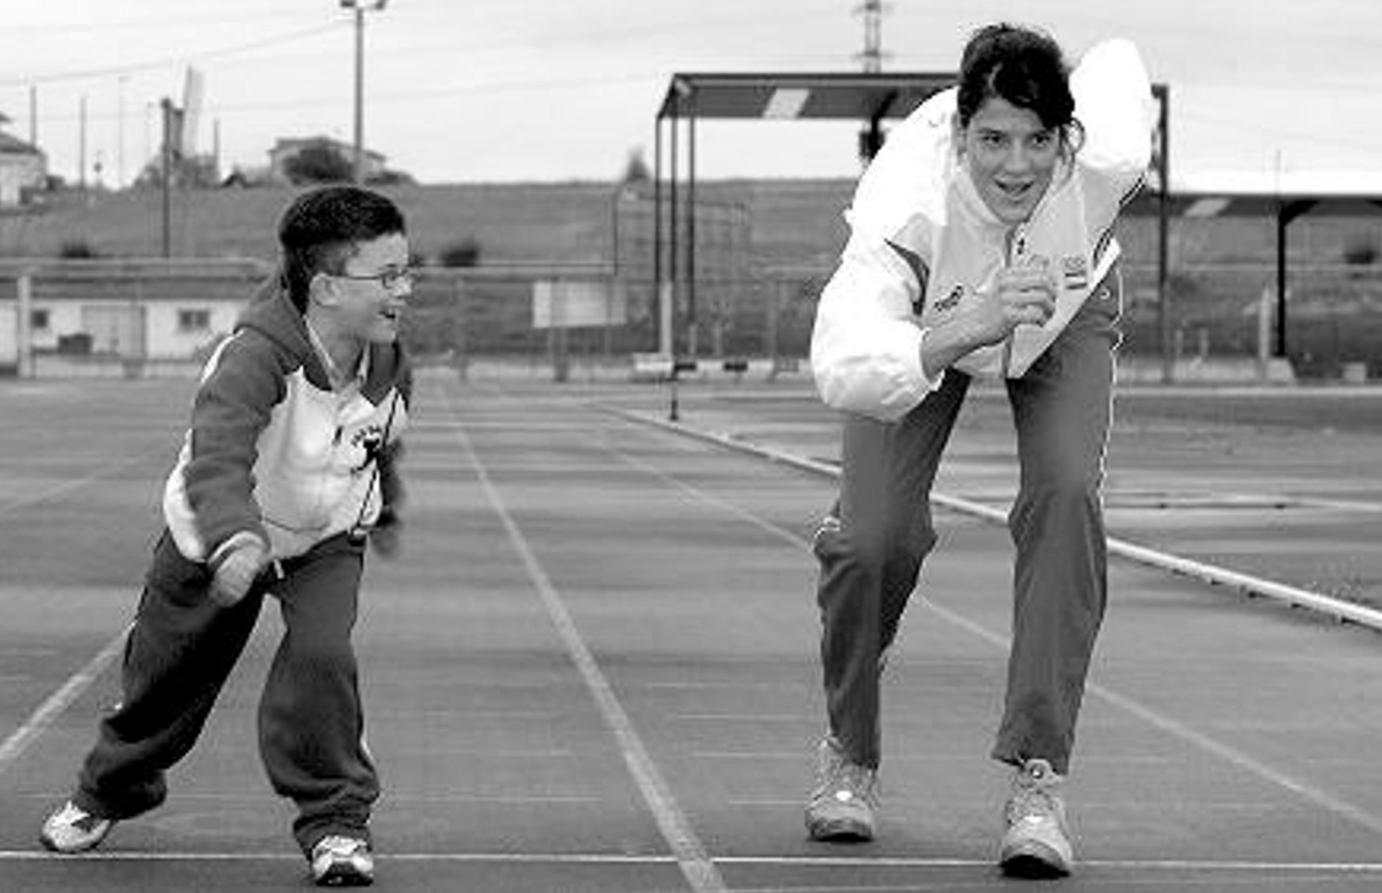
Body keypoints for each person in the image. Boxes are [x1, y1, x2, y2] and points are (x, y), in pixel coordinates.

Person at [804, 23, 1154, 878]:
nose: (1016, 165)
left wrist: (1019, 312)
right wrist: (971, 323)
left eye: (1039, 141)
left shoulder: (1107, 156)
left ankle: (1040, 777)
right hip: (935, 325)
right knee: (871, 538)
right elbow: (841, 363)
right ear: (960, 134)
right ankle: (850, 748)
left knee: (1067, 495)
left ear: (1068, 138)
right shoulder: (904, 203)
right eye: (993, 139)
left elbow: (1119, 61)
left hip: (1062, 313)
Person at [38, 184, 414, 888]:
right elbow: (217, 458)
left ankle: (336, 822)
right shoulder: (254, 358)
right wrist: (236, 539)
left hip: (321, 539)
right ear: (327, 286)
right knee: (163, 684)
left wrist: (382, 500)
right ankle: (106, 791)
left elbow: (374, 442)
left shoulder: (390, 362)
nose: (405, 289)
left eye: (406, 271)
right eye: (387, 276)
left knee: (323, 657)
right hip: (213, 538)